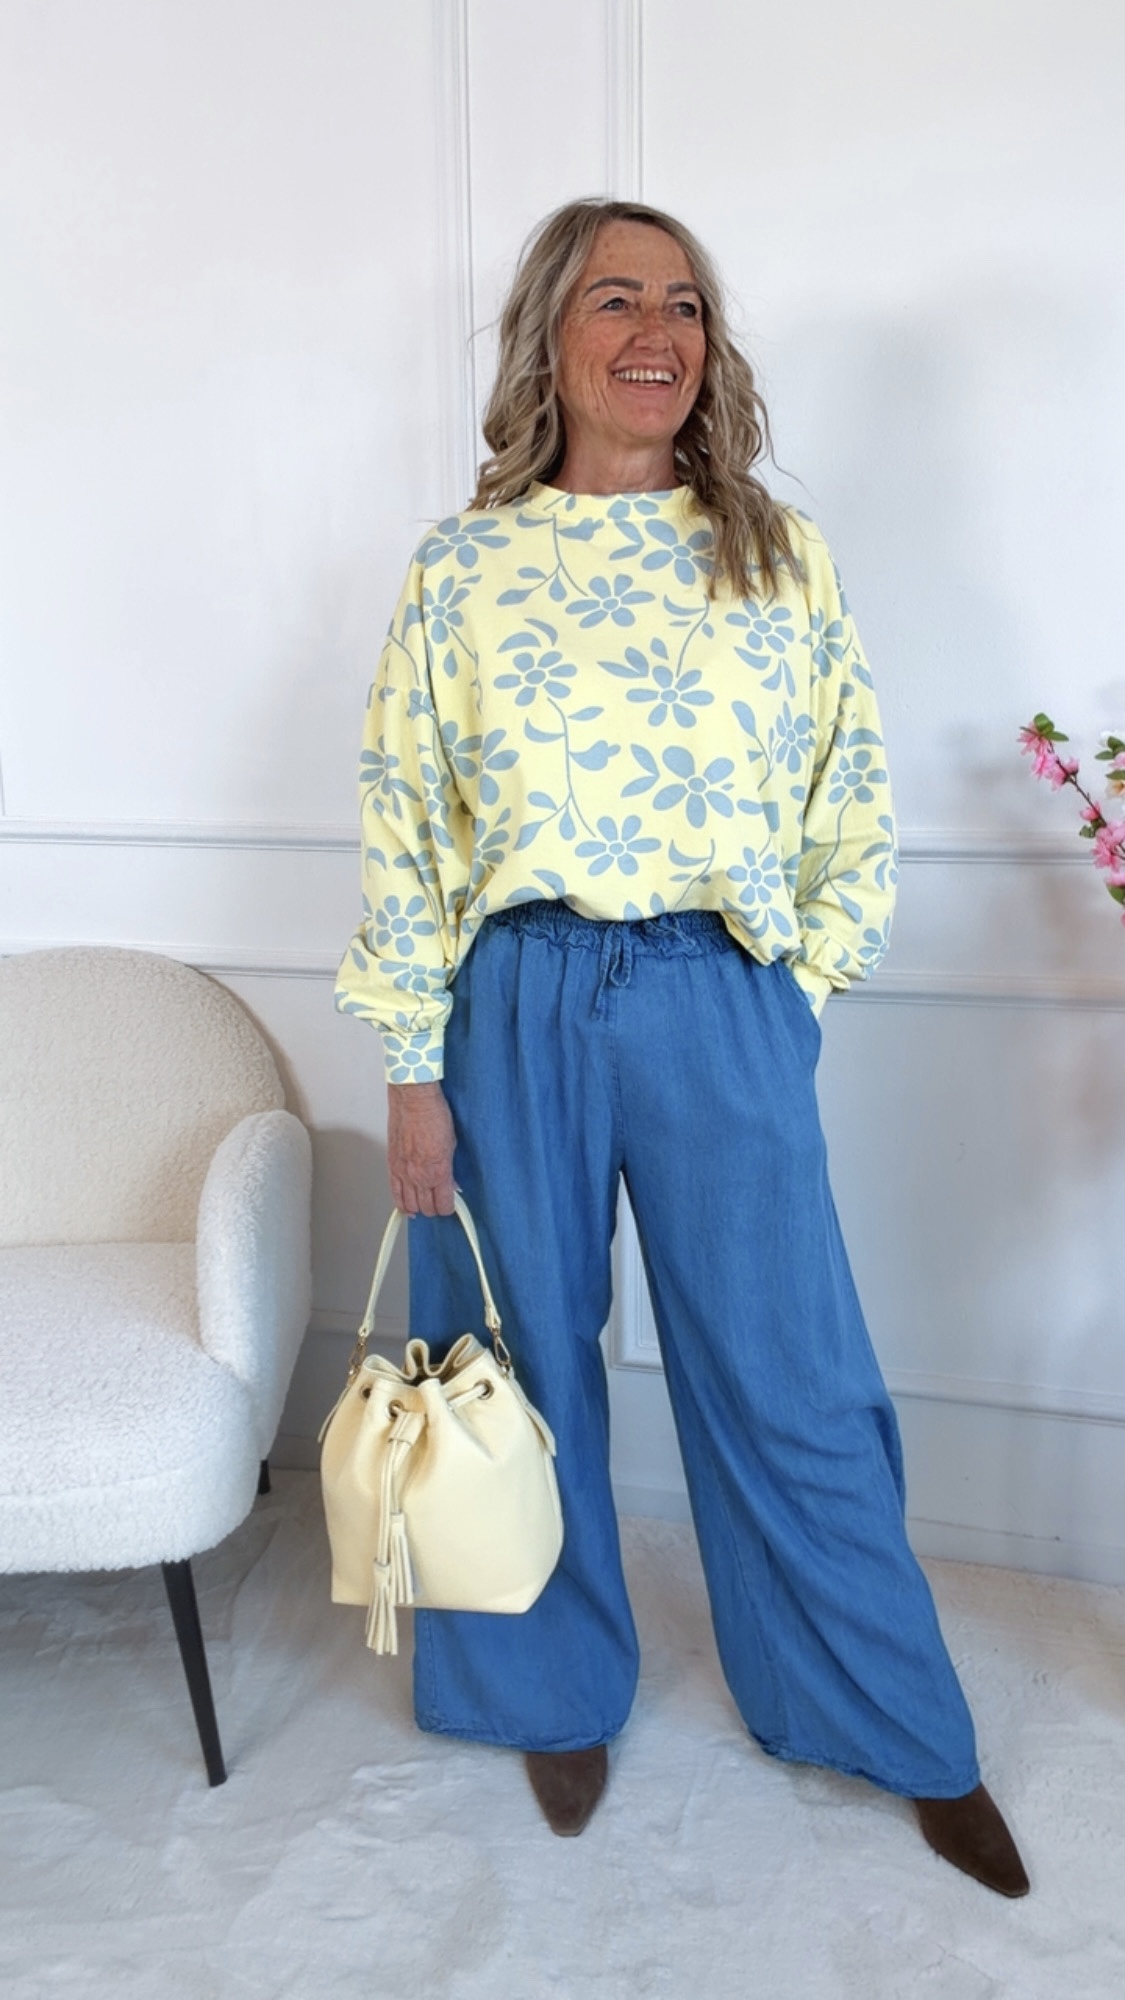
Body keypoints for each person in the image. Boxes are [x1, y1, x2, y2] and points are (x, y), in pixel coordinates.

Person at [336, 198, 1029, 1896]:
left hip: (720, 995)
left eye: (685, 305)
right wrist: (413, 1065)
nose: (656, 333)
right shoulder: (461, 570)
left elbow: (849, 791)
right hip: (513, 994)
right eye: (615, 300)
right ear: (549, 338)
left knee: (791, 1375)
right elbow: (408, 823)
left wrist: (796, 995)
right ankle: (545, 1695)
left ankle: (883, 1717)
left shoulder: (775, 556)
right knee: (514, 1364)